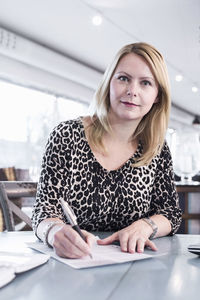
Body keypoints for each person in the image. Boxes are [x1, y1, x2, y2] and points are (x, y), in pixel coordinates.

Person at [32, 42, 182, 259]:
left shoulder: (156, 148)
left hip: (135, 269)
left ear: (157, 95)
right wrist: (54, 231)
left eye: (146, 83)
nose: (132, 91)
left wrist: (145, 226)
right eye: (123, 78)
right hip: (73, 266)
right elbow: (43, 212)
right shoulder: (66, 135)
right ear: (109, 83)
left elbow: (171, 213)